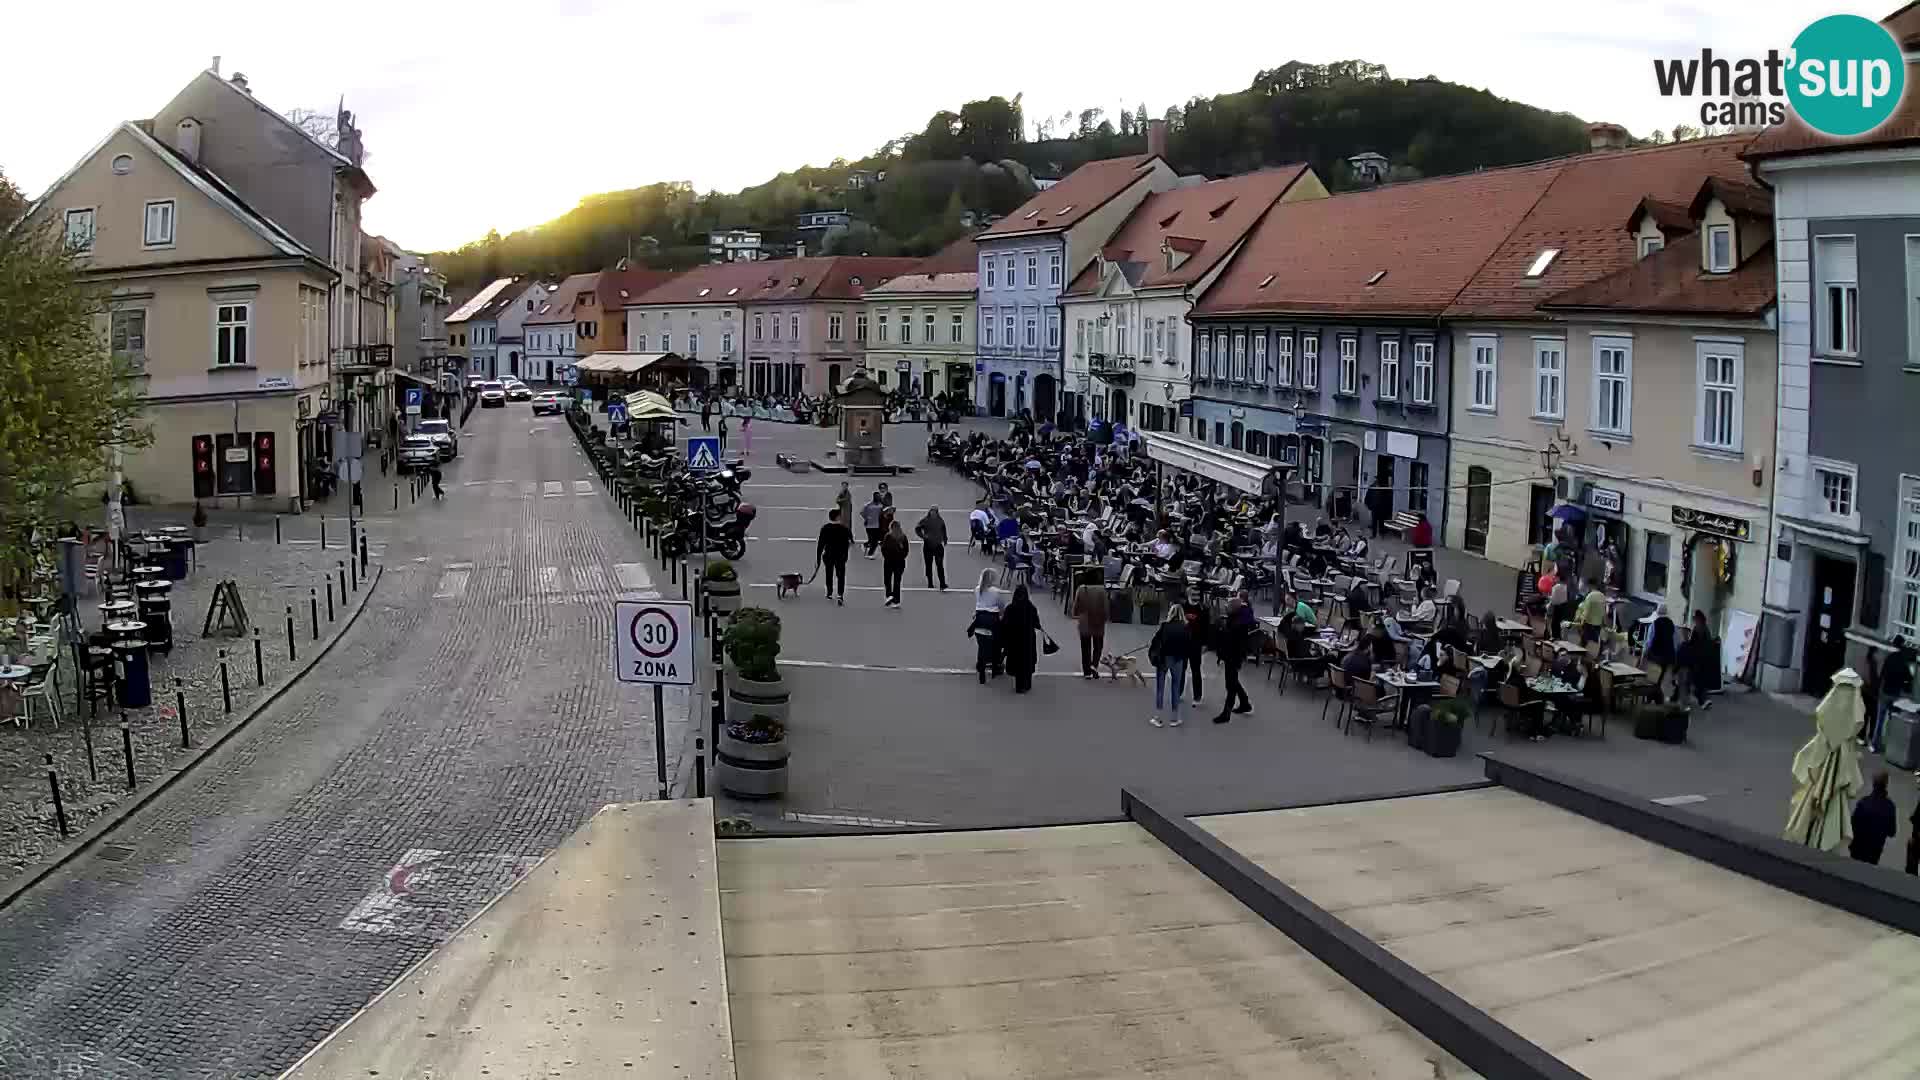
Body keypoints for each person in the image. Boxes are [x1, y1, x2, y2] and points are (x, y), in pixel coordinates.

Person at [1213, 592, 1257, 723]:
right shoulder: (1234, 620)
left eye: (1227, 605)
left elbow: (1230, 642)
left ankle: (1226, 713)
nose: (1225, 607)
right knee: (1232, 682)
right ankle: (1245, 703)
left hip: (1233, 656)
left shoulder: (1236, 624)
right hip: (1231, 656)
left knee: (1231, 685)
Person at [1148, 605, 1194, 727]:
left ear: (1171, 613)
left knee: (1160, 688)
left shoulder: (1165, 626)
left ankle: (1158, 717)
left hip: (1164, 659)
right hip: (1178, 659)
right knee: (1175, 687)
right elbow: (1189, 645)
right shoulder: (1186, 627)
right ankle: (1174, 718)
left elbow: (1156, 641)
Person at [1869, 638, 1914, 754]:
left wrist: (1879, 688)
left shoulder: (1889, 658)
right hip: (1895, 695)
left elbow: (1882, 674)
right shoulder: (1904, 662)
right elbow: (1908, 679)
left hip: (1885, 692)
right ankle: (1890, 746)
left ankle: (1874, 744)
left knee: (1879, 720)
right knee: (1892, 720)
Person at [1000, 584, 1044, 694]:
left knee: (1017, 662)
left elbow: (1004, 624)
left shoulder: (1010, 608)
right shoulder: (1031, 608)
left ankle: (1019, 686)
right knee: (1027, 662)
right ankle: (1027, 684)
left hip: (1014, 640)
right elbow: (1037, 624)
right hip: (1028, 639)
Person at [1851, 772, 1898, 865]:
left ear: (1873, 784)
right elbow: (1892, 832)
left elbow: (1852, 824)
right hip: (1874, 852)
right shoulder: (1890, 807)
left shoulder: (1863, 802)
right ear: (1886, 784)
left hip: (1857, 848)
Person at [967, 569, 1006, 683]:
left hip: (979, 619)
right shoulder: (996, 591)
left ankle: (981, 666)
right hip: (992, 620)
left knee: (981, 644)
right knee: (997, 643)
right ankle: (996, 665)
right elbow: (1001, 608)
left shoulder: (977, 589)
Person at [1070, 574, 1110, 679]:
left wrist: (1075, 614)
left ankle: (1087, 672)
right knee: (1098, 646)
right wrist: (1105, 618)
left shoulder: (1081, 589)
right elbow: (1106, 606)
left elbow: (1076, 605)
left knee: (1085, 647)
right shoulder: (1102, 590)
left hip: (1085, 621)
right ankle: (1094, 665)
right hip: (1098, 621)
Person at [814, 508, 853, 605]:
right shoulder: (844, 529)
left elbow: (820, 545)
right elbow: (847, 544)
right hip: (840, 556)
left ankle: (829, 592)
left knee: (829, 574)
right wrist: (845, 556)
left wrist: (818, 559)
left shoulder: (825, 528)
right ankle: (840, 594)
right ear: (838, 517)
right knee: (841, 576)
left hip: (828, 555)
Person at [915, 506, 949, 590]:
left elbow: (944, 530)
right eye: (932, 511)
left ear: (937, 512)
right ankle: (930, 583)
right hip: (928, 545)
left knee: (940, 565)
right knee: (928, 565)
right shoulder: (925, 520)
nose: (933, 513)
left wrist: (945, 539)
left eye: (935, 511)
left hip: (938, 545)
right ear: (929, 512)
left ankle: (942, 583)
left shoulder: (940, 520)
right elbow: (917, 528)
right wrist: (923, 536)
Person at [1185, 602, 1212, 706]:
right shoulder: (1183, 606)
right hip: (1183, 641)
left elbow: (1206, 627)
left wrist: (1205, 643)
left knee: (1195, 670)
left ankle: (1197, 696)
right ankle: (1178, 691)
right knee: (1181, 668)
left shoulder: (1203, 609)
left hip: (1196, 643)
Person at [879, 520, 910, 608]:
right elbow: (906, 550)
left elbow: (883, 548)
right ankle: (896, 600)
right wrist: (901, 557)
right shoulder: (903, 537)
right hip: (900, 562)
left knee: (887, 580)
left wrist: (886, 557)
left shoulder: (888, 536)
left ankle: (889, 595)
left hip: (889, 562)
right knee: (897, 581)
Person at [1575, 580, 1608, 644]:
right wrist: (1604, 623)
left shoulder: (1590, 596)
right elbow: (1604, 611)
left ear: (1590, 586)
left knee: (1585, 641)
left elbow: (1586, 611)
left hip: (1589, 622)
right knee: (1595, 641)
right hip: (1598, 623)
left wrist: (1582, 622)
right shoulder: (1602, 596)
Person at [860, 492, 885, 558]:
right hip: (869, 525)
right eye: (877, 496)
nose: (878, 498)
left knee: (873, 540)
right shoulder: (868, 505)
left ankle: (868, 550)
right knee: (873, 541)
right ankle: (870, 553)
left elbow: (882, 514)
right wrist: (866, 518)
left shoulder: (881, 506)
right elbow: (862, 513)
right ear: (874, 497)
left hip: (877, 526)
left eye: (879, 496)